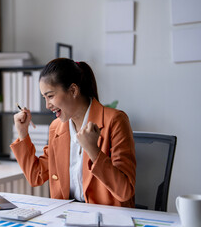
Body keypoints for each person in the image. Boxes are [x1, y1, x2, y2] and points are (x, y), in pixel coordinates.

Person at [10, 58, 136, 208]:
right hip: (67, 214)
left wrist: (93, 150)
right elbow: (35, 176)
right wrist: (23, 133)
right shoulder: (56, 127)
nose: (47, 105)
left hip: (107, 216)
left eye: (50, 96)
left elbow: (125, 191)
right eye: (44, 98)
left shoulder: (115, 120)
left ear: (73, 90)